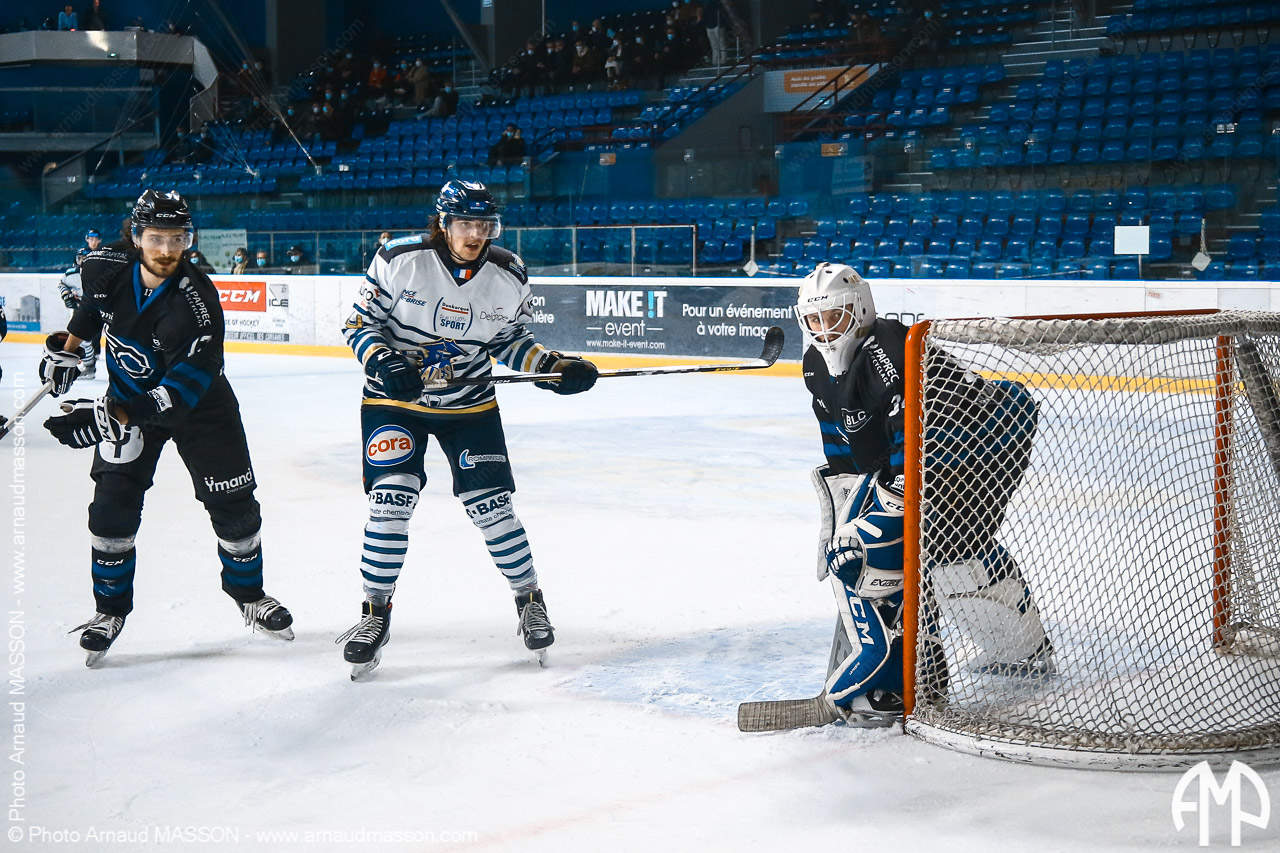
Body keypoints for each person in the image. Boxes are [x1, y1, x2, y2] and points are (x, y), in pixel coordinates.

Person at [336, 179, 599, 679]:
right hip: (395, 402)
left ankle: (529, 600)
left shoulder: (509, 273)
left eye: (484, 225)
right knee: (390, 502)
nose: (475, 234)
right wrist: (384, 360)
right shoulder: (399, 259)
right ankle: (374, 612)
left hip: (469, 406)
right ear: (444, 223)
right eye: (465, 224)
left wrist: (552, 368)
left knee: (492, 508)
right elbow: (358, 325)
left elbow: (510, 341)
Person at [39, 190, 294, 666]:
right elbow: (93, 309)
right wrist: (68, 349)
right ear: (136, 236)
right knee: (111, 510)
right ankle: (109, 611)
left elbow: (178, 392)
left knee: (236, 510)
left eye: (177, 239)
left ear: (189, 240)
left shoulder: (198, 304)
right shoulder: (103, 267)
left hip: (201, 409)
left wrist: (110, 416)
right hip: (126, 401)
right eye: (156, 238)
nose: (166, 249)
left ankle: (250, 596)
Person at [788, 263, 1048, 726]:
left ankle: (912, 677)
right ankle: (1015, 649)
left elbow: (919, 442)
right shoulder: (815, 365)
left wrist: (883, 514)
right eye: (815, 320)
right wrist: (849, 502)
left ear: (860, 310)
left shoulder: (895, 351)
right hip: (935, 449)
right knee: (927, 547)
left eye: (834, 317)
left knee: (920, 548)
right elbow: (840, 441)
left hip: (988, 440)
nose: (824, 330)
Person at [56, 248, 99, 379]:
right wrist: (66, 294)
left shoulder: (100, 271)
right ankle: (89, 366)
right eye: (81, 258)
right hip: (83, 310)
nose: (83, 261)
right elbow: (62, 284)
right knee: (83, 339)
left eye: (86, 258)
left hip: (100, 308)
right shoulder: (71, 274)